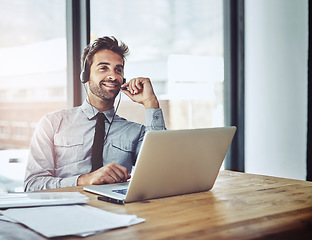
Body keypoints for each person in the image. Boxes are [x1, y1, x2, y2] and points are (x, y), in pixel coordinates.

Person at [24, 36, 166, 192]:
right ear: (86, 76)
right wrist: (84, 180)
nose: (113, 76)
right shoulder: (52, 123)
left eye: (118, 70)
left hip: (116, 213)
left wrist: (151, 103)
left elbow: (162, 174)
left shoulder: (136, 132)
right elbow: (32, 185)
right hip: (65, 211)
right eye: (103, 68)